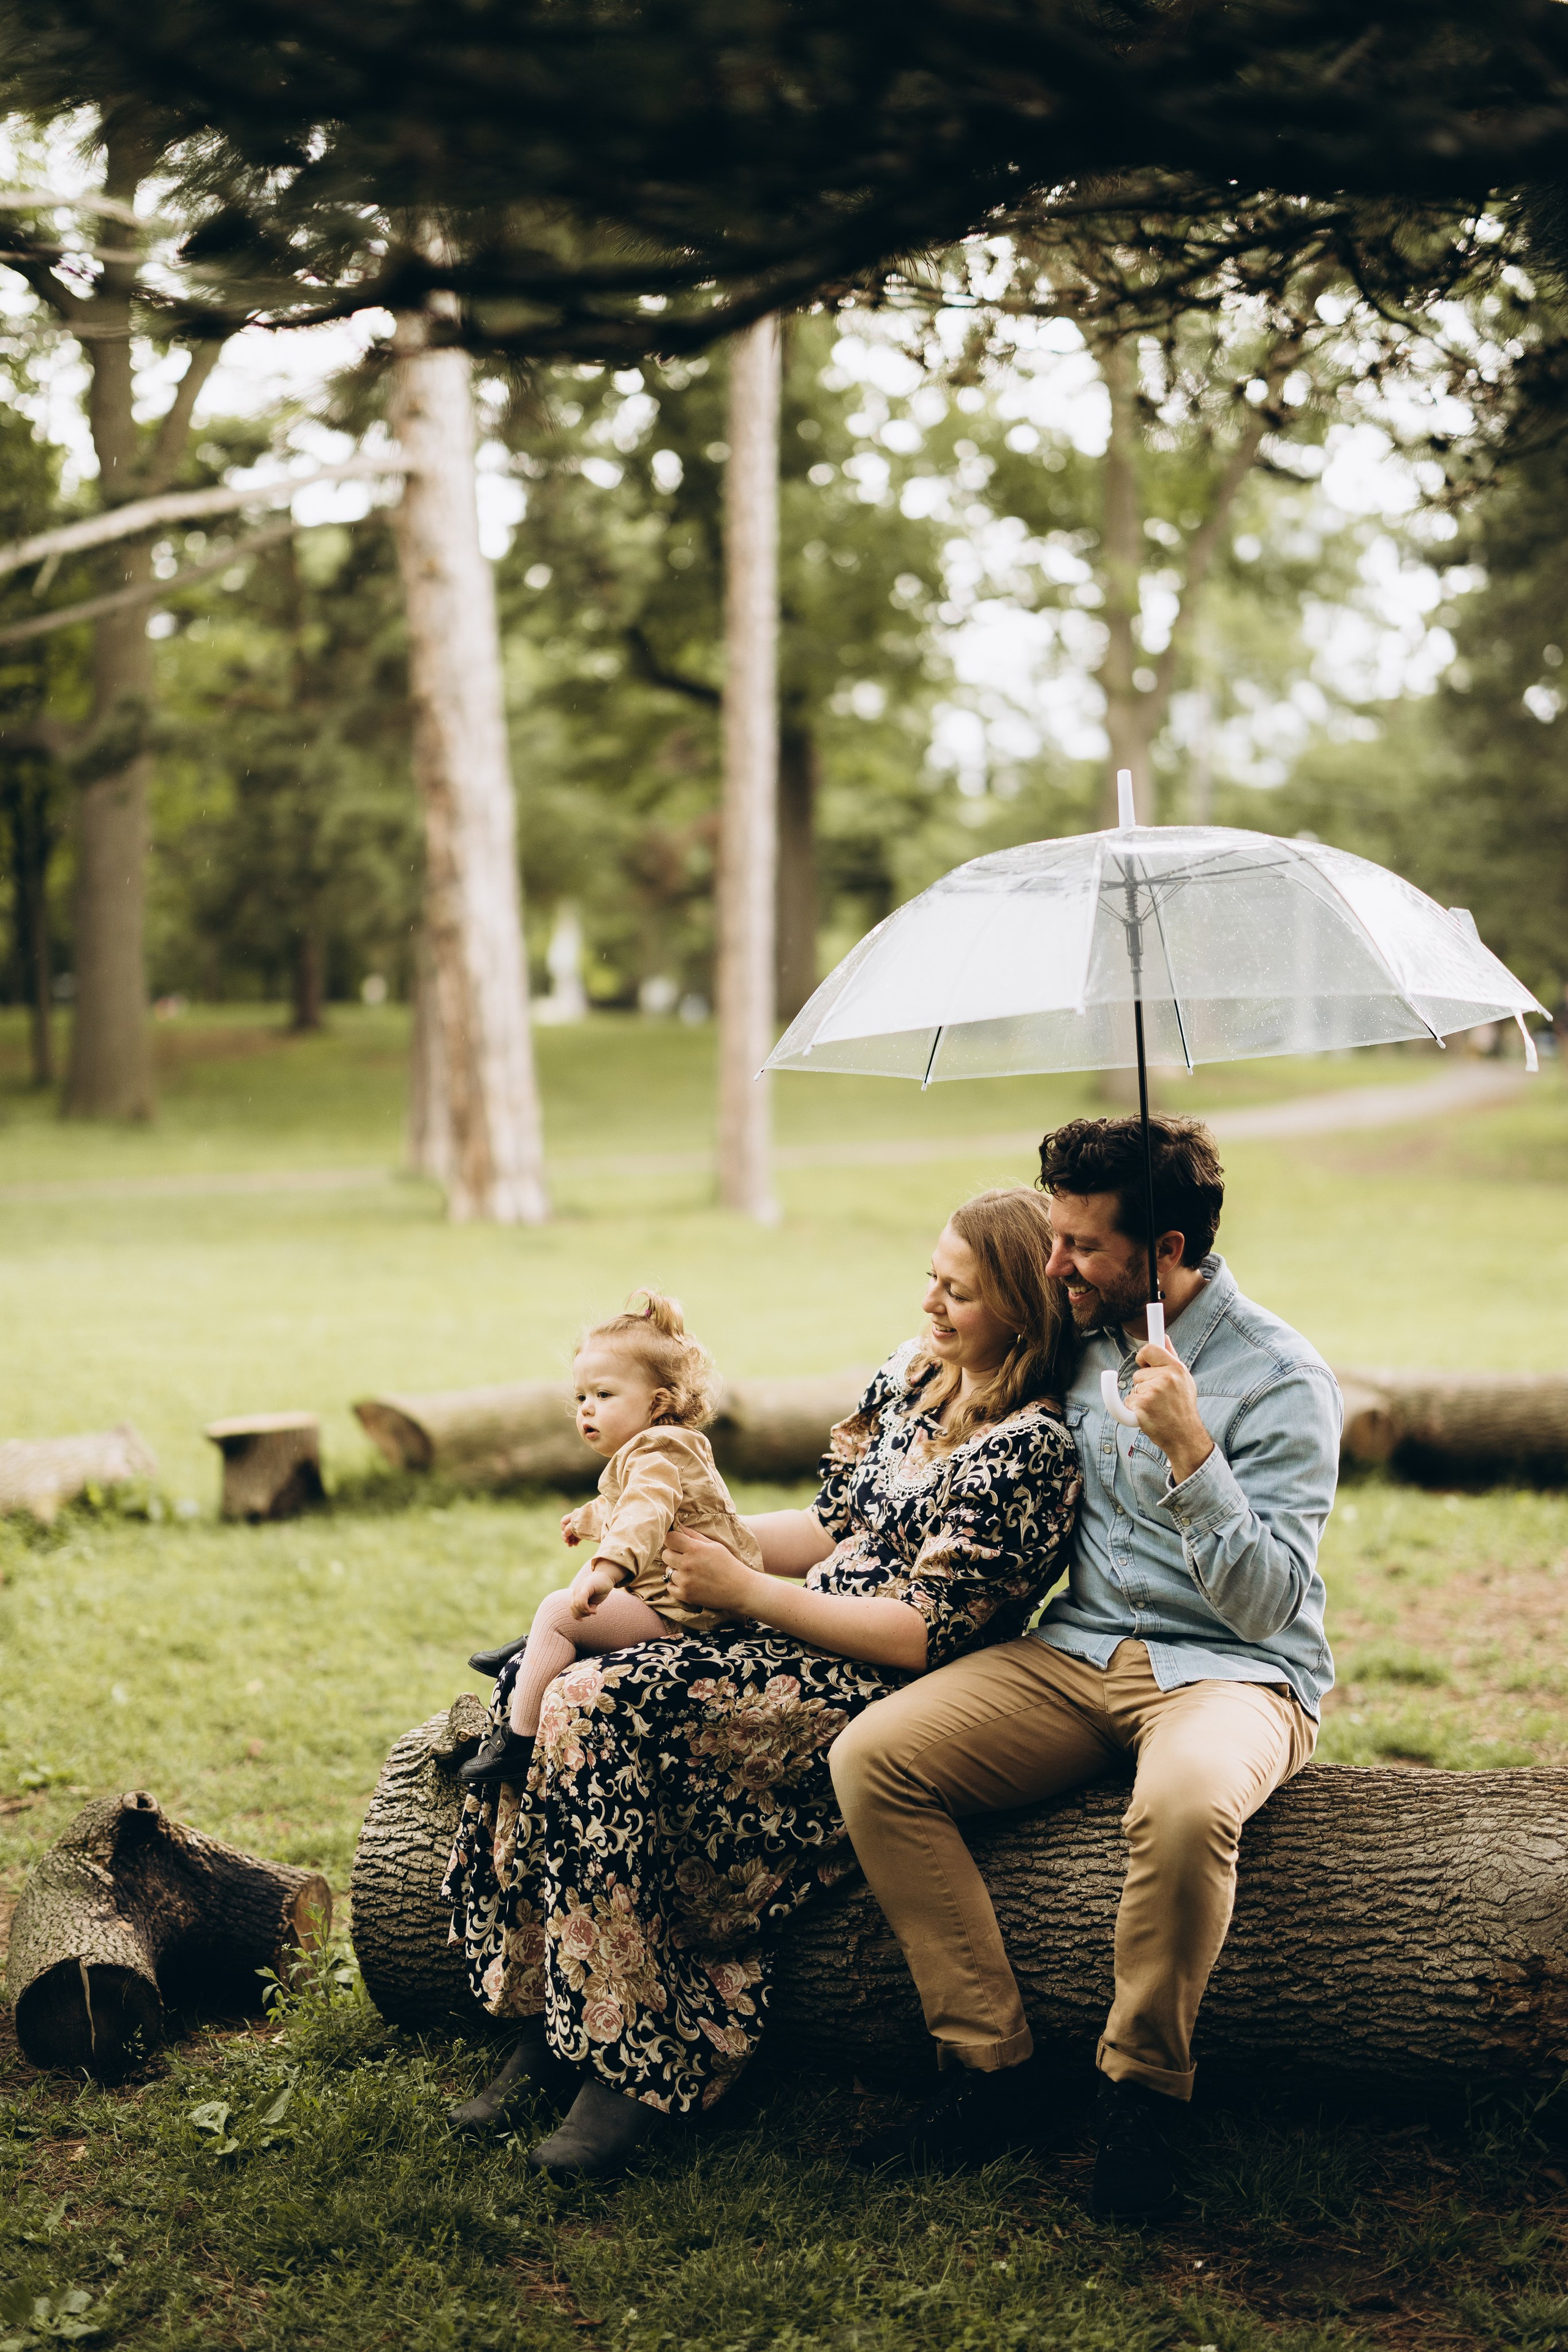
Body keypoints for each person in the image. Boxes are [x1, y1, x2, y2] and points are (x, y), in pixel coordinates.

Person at [440, 1187, 1081, 2177]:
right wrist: (688, 1541)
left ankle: (636, 2060)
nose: (931, 1304)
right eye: (932, 1279)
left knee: (601, 1709)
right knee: (550, 1667)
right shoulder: (915, 1378)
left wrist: (746, 1592)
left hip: (872, 1677)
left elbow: (925, 1630)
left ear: (1024, 1309)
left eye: (959, 1293)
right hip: (792, 1624)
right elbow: (830, 1526)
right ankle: (549, 2012)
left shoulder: (1032, 1447)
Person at [830, 1115, 1340, 2222]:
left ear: (1165, 1251)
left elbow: (1269, 1605)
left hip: (1235, 1673)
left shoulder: (1283, 1379)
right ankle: (991, 2069)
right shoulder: (1080, 1337)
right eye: (1053, 1239)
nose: (1054, 1264)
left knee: (1185, 1803)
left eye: (1081, 1246)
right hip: (1076, 1651)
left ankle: (1141, 2094)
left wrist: (1191, 1448)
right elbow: (967, 1375)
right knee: (876, 1759)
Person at [458, 1291, 761, 1790]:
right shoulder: (658, 1451)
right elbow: (624, 1506)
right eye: (581, 1398)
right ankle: (539, 1645)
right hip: (677, 1599)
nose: (587, 1410)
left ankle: (519, 1744)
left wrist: (608, 1570)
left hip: (687, 1615)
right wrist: (585, 1520)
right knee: (576, 1592)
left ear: (657, 1402)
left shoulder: (655, 1454)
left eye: (603, 1395)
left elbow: (645, 1512)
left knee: (561, 1608)